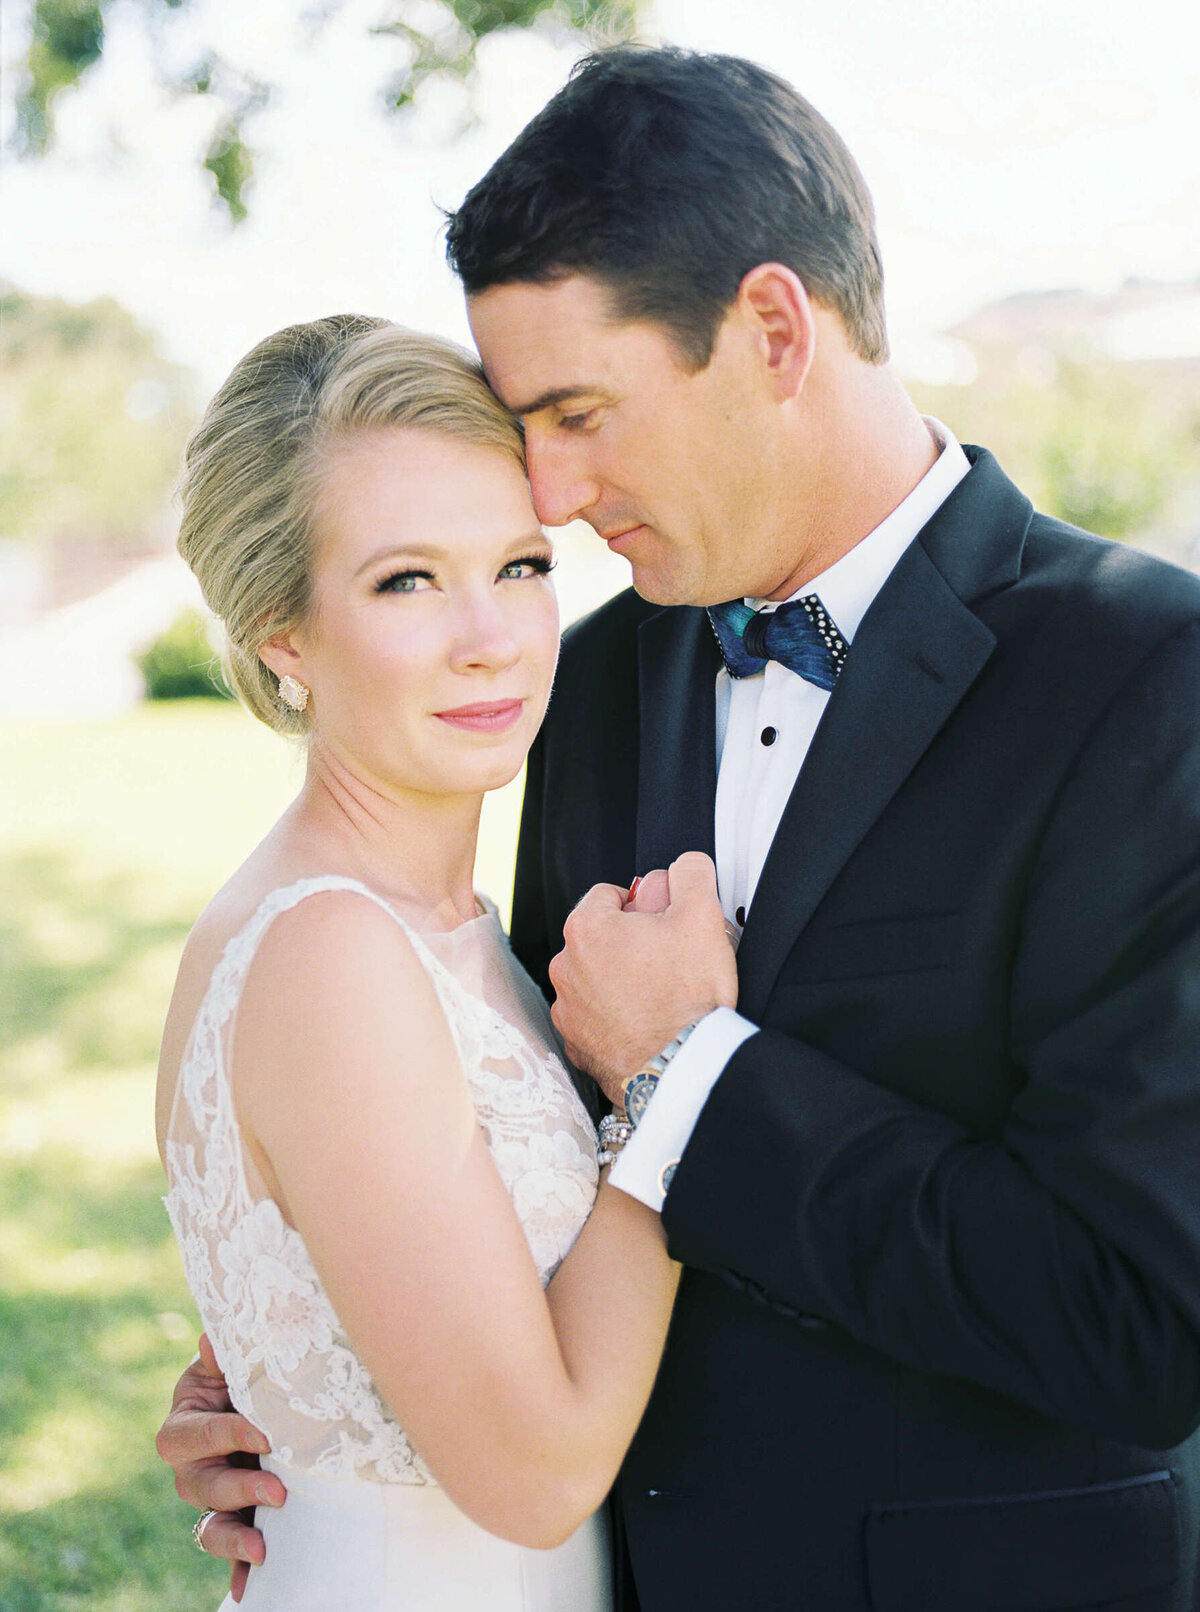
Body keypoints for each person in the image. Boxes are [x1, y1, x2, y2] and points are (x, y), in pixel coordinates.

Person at [160, 47, 1200, 1612]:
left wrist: (694, 1080)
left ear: (775, 330)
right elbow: (490, 1135)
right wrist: (309, 1359)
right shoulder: (582, 686)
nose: (555, 498)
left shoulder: (1144, 678)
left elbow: (1141, 1321)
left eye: (579, 413)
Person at [154, 312, 736, 1610]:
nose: (493, 636)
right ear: (282, 631)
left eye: (520, 564)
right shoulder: (330, 953)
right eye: (406, 580)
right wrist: (679, 1072)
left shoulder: (446, 921)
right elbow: (532, 1475)